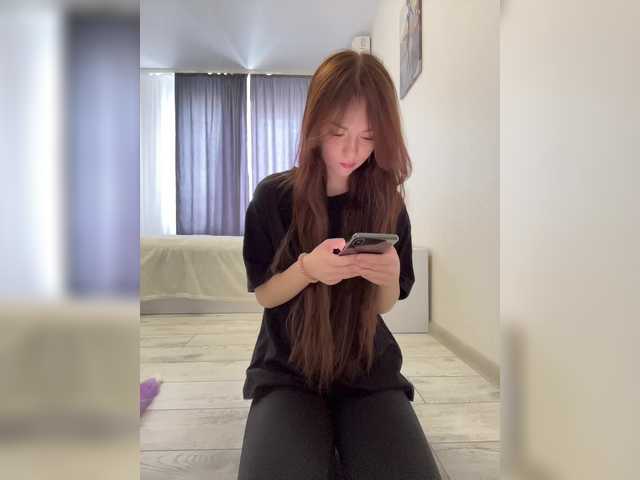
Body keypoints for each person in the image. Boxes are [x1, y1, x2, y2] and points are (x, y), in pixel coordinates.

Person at [237, 50, 442, 480]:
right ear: (315, 123)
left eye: (369, 137)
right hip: (288, 366)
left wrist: (387, 278)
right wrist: (306, 270)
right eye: (337, 132)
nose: (352, 150)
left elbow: (383, 304)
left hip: (366, 364)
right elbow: (266, 295)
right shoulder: (273, 197)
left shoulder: (387, 203)